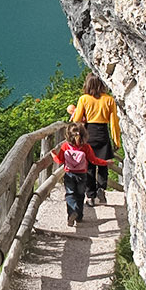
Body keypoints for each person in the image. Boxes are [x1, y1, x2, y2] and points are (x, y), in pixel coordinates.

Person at [70, 73, 120, 206]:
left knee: (89, 167)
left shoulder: (84, 99)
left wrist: (76, 115)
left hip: (88, 134)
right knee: (103, 164)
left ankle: (90, 197)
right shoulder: (109, 100)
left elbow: (77, 120)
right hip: (103, 133)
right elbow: (114, 123)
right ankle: (101, 188)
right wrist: (116, 141)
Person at [51, 122, 109, 227]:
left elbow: (60, 160)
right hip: (82, 174)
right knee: (80, 195)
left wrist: (54, 155)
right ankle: (79, 216)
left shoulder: (65, 146)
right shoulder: (86, 147)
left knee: (70, 194)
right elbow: (93, 160)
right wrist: (105, 162)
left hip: (69, 174)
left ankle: (72, 212)